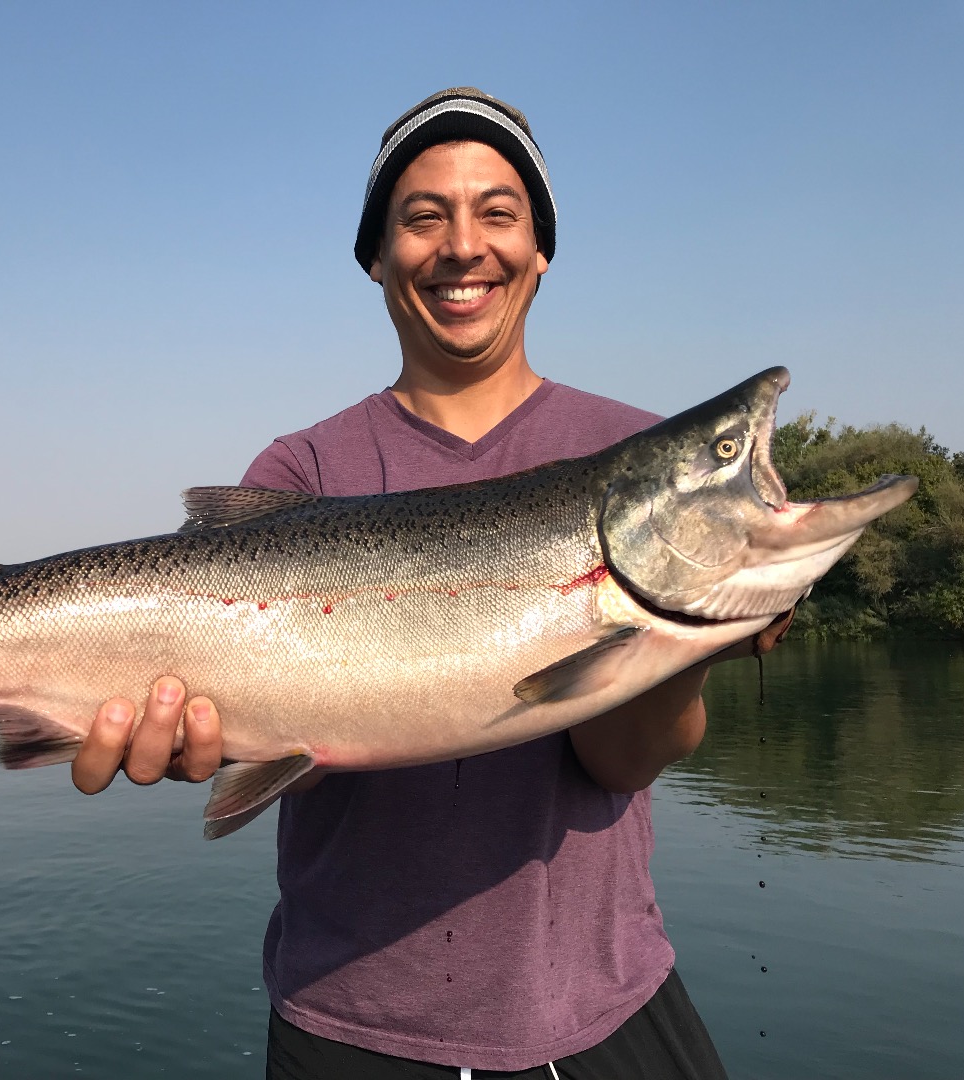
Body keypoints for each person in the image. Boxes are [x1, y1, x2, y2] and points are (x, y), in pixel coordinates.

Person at [71, 88, 791, 1079]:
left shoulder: (625, 449)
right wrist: (205, 730)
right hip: (348, 1024)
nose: (464, 245)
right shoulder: (302, 469)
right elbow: (267, 730)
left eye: (499, 212)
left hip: (605, 1009)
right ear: (376, 257)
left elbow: (622, 763)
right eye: (423, 217)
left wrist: (689, 632)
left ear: (541, 248)